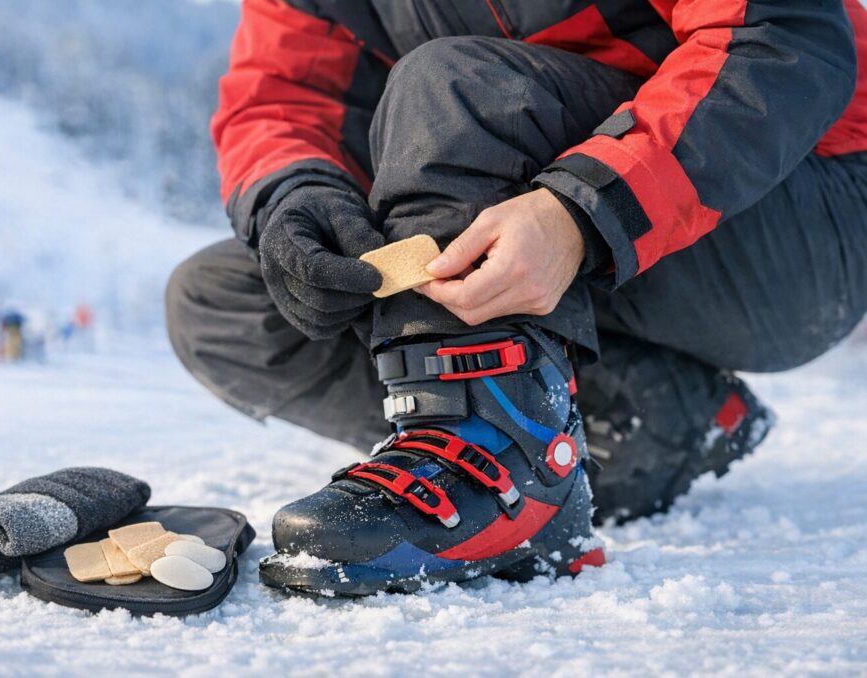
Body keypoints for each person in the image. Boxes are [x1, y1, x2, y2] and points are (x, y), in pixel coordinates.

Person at [166, 0, 867, 595]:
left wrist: (581, 212)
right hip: (549, 218)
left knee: (453, 86)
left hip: (790, 211)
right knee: (221, 305)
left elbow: (780, 40)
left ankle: (511, 479)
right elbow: (287, 95)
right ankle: (639, 418)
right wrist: (301, 199)